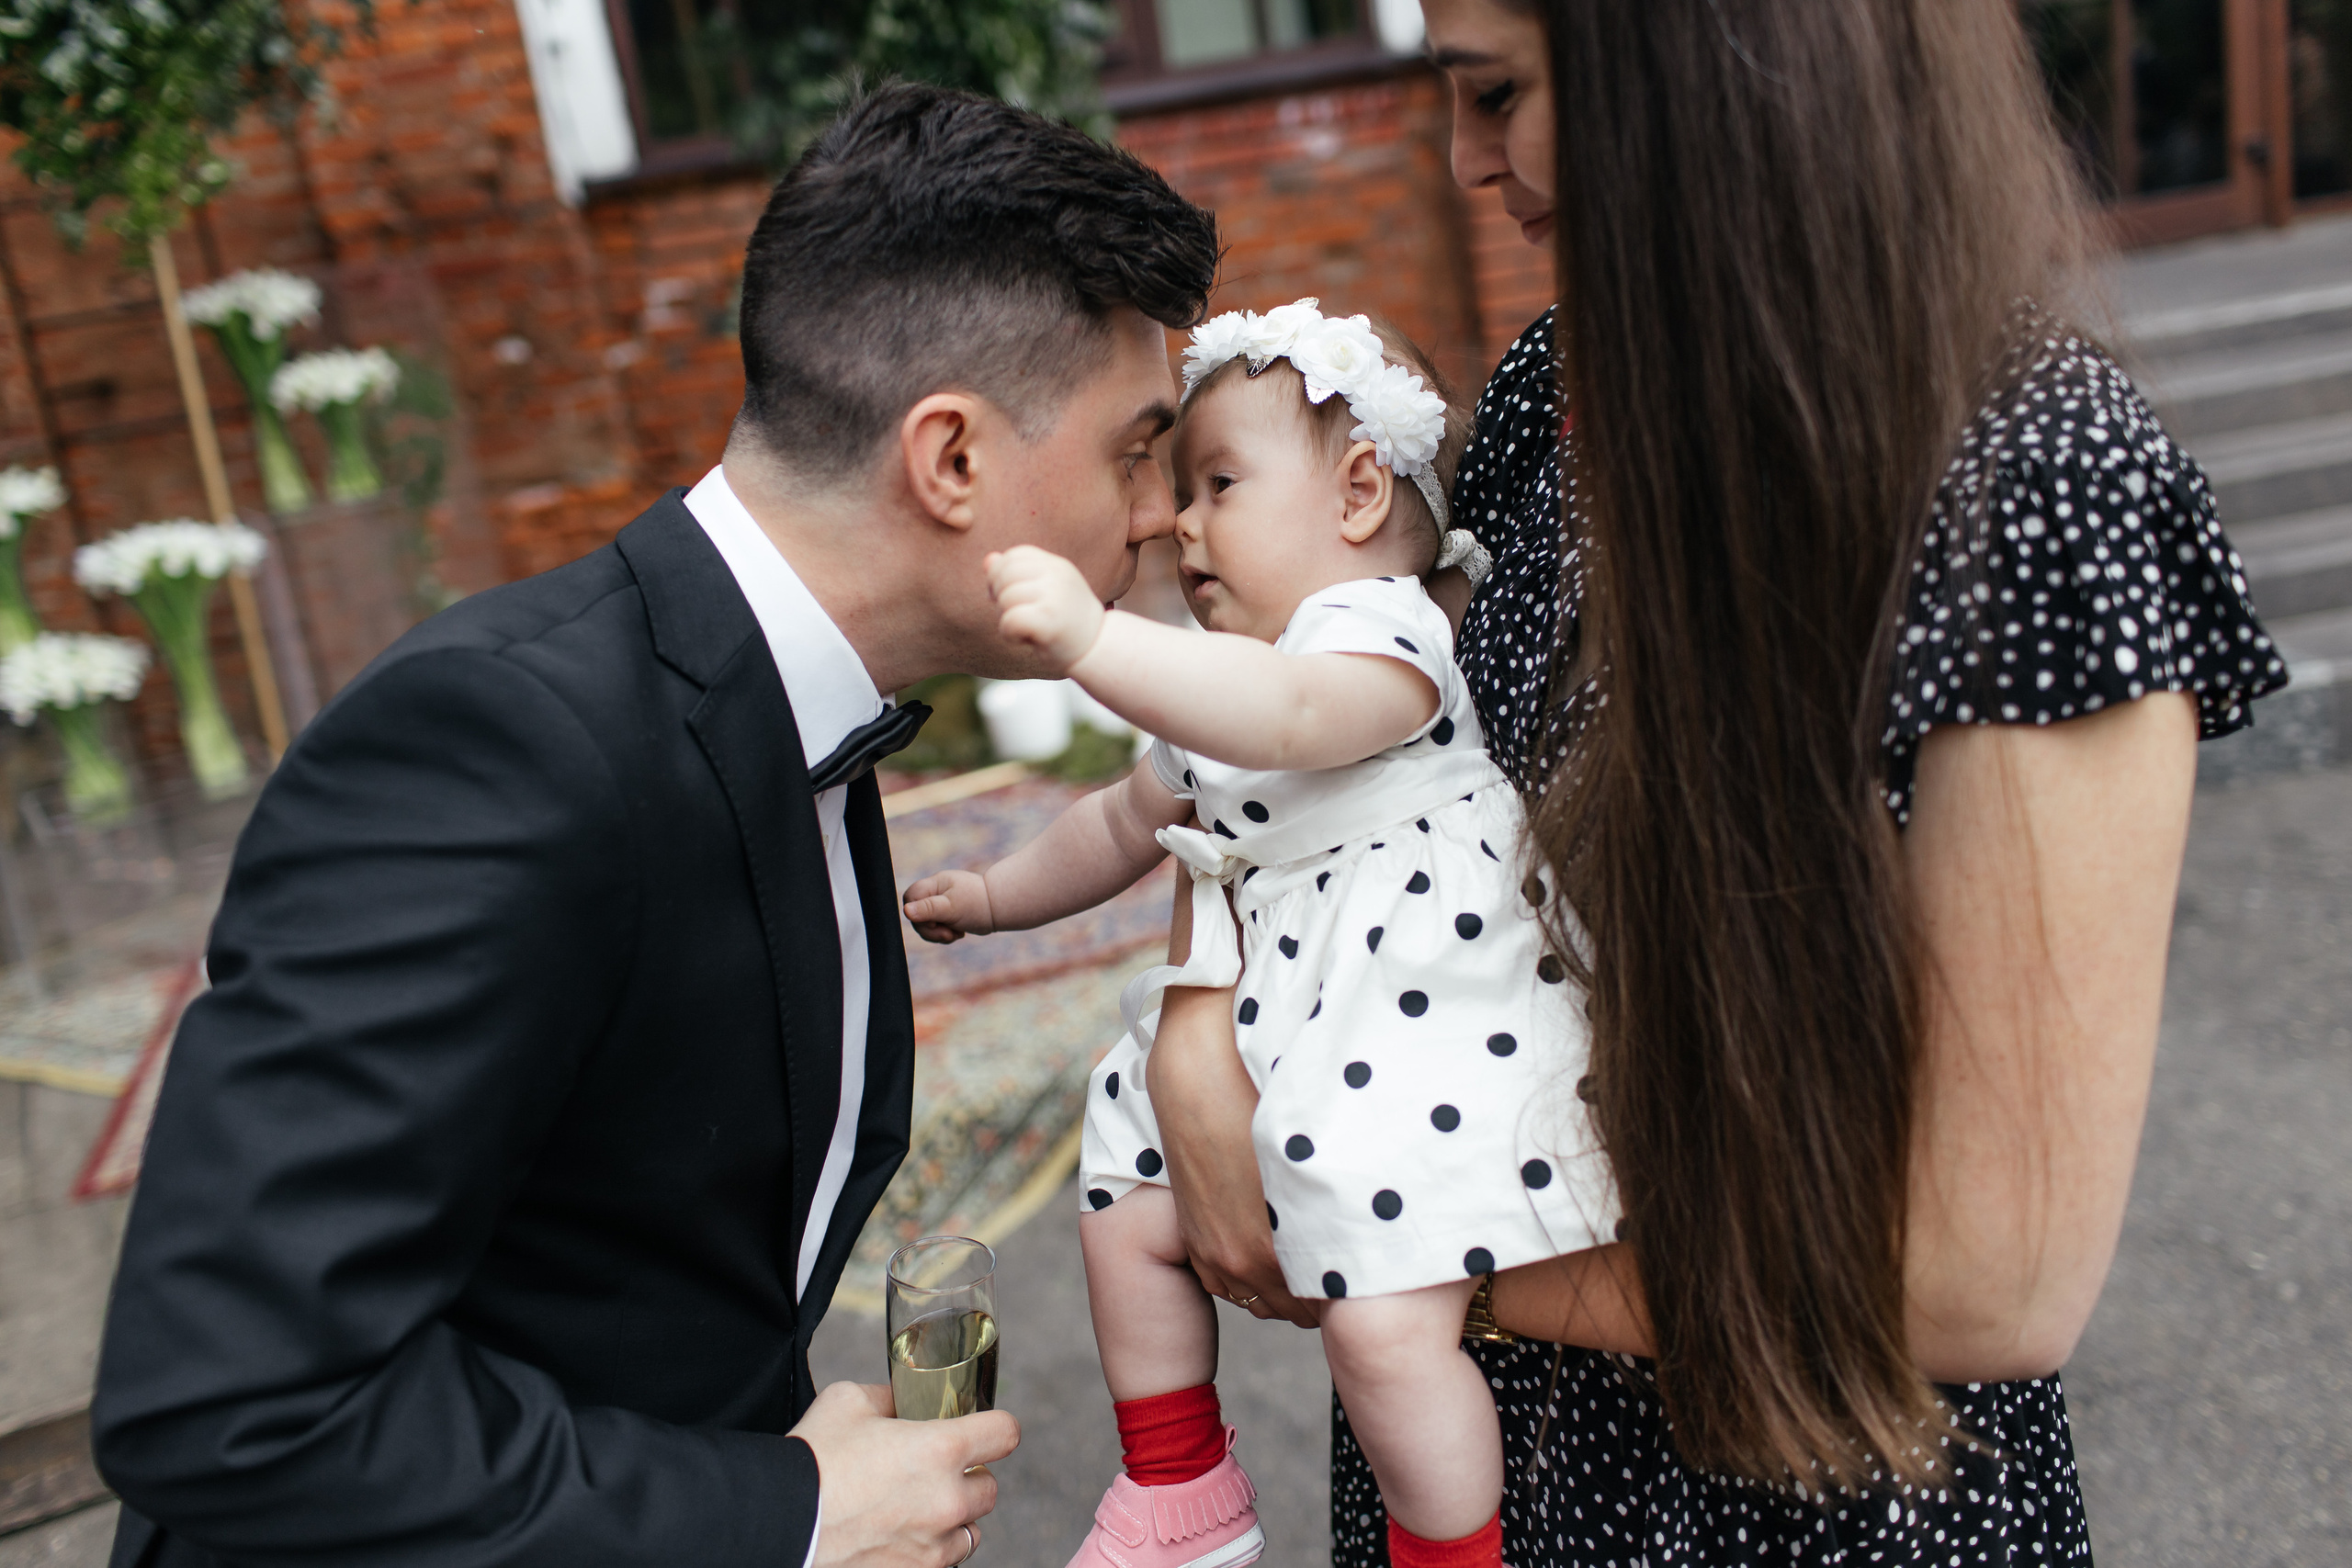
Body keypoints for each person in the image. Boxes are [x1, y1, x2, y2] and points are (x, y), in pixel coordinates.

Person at [1148, 1, 2292, 1564]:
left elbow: (1992, 1276)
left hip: (1802, 1499)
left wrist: (1397, 1247)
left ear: (1714, 74)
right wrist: (1200, 1023)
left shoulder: (2029, 477)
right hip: (1480, 1453)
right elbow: (1336, 754)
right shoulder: (1568, 387)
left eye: (1496, 93)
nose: (1468, 159)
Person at [88, 83, 1217, 1568]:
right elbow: (238, 1401)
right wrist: (780, 1517)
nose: (1161, 514)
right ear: (950, 462)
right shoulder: (496, 748)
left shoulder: (784, 700)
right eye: (1136, 448)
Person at [904, 305, 1612, 1568]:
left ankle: (1453, 1554)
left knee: (1387, 1331)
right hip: (1289, 1023)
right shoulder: (1221, 678)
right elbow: (1125, 820)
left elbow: (1292, 716)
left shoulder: (1382, 630)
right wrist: (1001, 895)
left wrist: (1092, 640)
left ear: (1353, 494)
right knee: (1121, 1196)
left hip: (1420, 1022)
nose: (1182, 523)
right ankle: (1179, 1484)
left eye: (1218, 484)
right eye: (1180, 490)